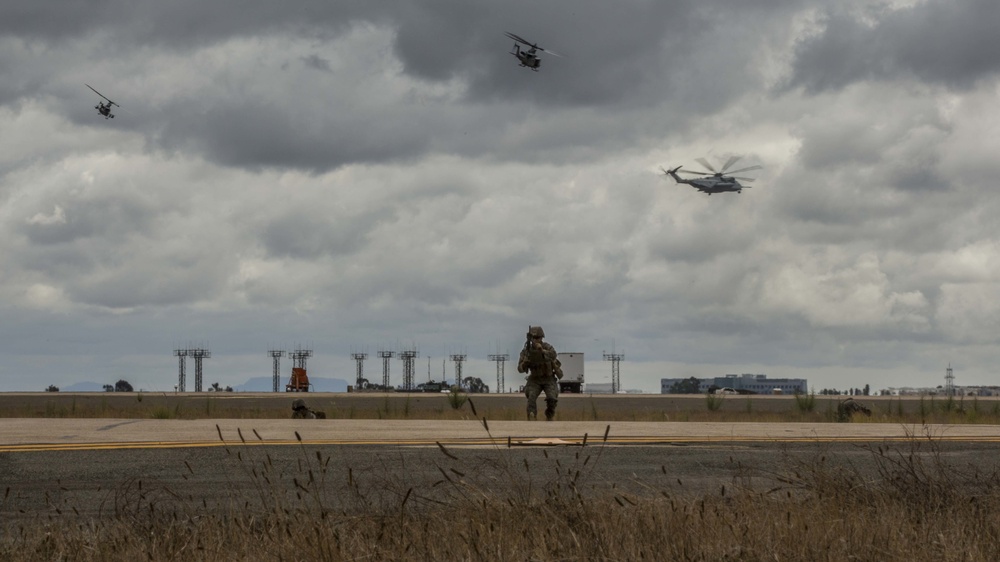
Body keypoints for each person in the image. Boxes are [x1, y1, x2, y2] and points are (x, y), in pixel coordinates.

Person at [517, 326, 562, 421]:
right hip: (535, 379)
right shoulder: (526, 351)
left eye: (538, 338)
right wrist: (525, 362)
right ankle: (532, 417)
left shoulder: (547, 347)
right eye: (534, 338)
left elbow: (553, 354)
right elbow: (520, 369)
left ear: (542, 338)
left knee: (552, 398)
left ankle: (549, 416)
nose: (536, 340)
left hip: (548, 378)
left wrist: (542, 351)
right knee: (531, 398)